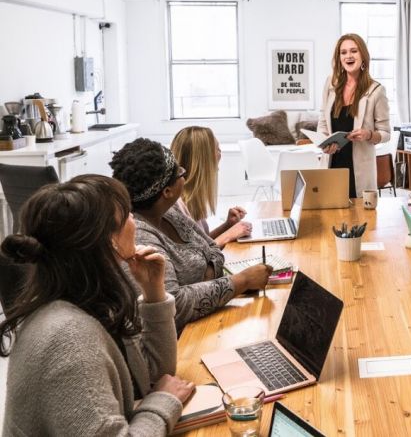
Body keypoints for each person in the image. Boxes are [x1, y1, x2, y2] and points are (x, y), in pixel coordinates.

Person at [0, 175, 195, 435]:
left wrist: (153, 293)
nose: (134, 221)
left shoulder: (94, 302)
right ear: (108, 241)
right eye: (127, 215)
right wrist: (163, 402)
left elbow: (154, 377)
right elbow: (159, 391)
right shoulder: (68, 339)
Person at [111, 138, 271, 332]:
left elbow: (212, 249)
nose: (183, 174)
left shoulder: (169, 211)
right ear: (167, 191)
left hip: (208, 319)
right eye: (179, 172)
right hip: (184, 339)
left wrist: (205, 282)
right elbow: (172, 306)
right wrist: (242, 280)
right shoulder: (140, 238)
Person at [318, 33, 391, 198]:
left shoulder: (376, 90)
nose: (348, 56)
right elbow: (323, 123)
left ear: (363, 55)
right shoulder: (330, 84)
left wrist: (369, 134)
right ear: (339, 58)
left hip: (359, 170)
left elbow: (386, 133)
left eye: (353, 51)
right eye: (343, 52)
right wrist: (324, 143)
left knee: (358, 219)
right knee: (330, 218)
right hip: (331, 165)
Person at [170, 126, 251, 247]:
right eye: (217, 149)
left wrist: (227, 226)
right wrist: (229, 234)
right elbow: (196, 260)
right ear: (203, 158)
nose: (220, 154)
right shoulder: (177, 205)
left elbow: (202, 244)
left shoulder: (190, 198)